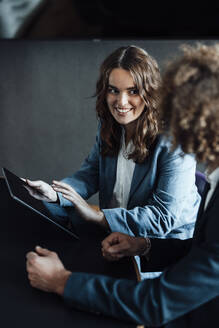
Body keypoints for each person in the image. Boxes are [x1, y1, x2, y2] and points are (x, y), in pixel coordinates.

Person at [26, 42, 219, 327]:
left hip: (166, 264)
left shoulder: (172, 142)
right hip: (138, 243)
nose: (121, 102)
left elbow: (155, 301)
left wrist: (61, 281)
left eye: (133, 91)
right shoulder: (110, 128)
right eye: (113, 90)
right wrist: (57, 194)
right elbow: (90, 173)